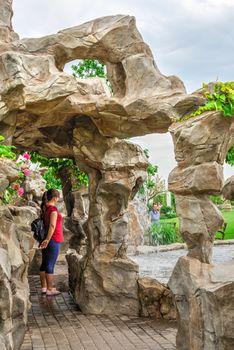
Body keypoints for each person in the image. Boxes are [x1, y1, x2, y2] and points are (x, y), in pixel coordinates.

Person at [39, 188, 64, 296]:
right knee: (50, 265)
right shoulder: (53, 210)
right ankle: (50, 289)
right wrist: (48, 240)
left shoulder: (45, 208)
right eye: (58, 197)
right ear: (54, 198)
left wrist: (45, 240)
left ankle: (44, 288)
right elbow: (52, 226)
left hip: (46, 239)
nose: (58, 199)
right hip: (53, 239)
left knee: (44, 264)